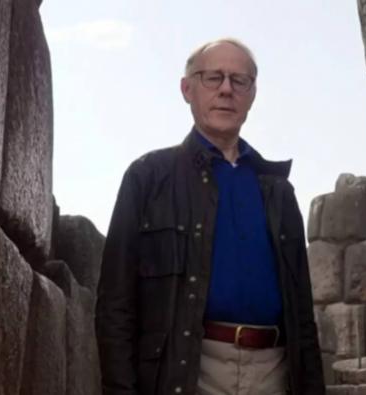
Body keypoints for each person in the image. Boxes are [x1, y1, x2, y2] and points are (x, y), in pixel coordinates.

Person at [96, 38, 325, 395]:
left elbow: (303, 315)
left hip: (275, 372)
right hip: (185, 370)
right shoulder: (147, 177)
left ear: (252, 94)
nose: (226, 90)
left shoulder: (278, 191)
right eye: (213, 78)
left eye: (239, 80)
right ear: (187, 89)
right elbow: (115, 303)